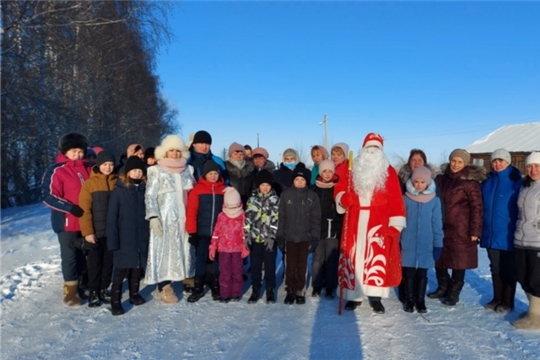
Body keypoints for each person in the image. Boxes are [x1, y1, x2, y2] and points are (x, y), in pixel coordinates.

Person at [335, 133, 405, 314]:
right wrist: (344, 198)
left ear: (381, 151)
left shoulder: (388, 171)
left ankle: (375, 297)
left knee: (375, 258)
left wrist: (395, 223)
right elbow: (340, 188)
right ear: (363, 149)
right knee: (354, 257)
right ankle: (353, 295)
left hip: (378, 221)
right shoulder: (352, 167)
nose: (372, 152)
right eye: (369, 148)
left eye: (376, 148)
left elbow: (396, 198)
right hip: (355, 219)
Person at [428, 149, 484, 306]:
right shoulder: (440, 179)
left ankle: (453, 292)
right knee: (440, 258)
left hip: (462, 229)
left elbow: (477, 208)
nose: (456, 164)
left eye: (460, 162)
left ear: (465, 164)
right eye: (454, 161)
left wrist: (475, 231)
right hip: (441, 226)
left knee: (460, 262)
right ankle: (442, 287)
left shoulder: (470, 183)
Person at [145, 135, 195, 303]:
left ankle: (185, 277)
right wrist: (153, 216)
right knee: (165, 250)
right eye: (171, 150)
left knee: (184, 248)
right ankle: (165, 285)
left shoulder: (189, 170)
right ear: (164, 152)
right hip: (165, 218)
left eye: (178, 150)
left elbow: (194, 193)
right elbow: (150, 195)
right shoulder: (156, 170)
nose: (174, 154)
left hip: (185, 217)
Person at [42, 132, 91, 306]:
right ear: (65, 152)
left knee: (85, 254)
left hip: (86, 221)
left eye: (80, 151)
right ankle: (70, 291)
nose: (77, 155)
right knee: (70, 256)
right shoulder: (56, 170)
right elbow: (48, 196)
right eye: (73, 151)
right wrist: (70, 208)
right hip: (67, 221)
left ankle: (84, 284)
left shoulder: (89, 168)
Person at [480, 149, 522, 314]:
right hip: (491, 232)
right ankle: (497, 298)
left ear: (508, 162)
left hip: (508, 233)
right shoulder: (487, 183)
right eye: (495, 161)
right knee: (495, 267)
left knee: (508, 269)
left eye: (501, 161)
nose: (497, 164)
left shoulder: (516, 182)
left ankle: (507, 301)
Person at [107, 156, 149, 315]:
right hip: (124, 239)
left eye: (140, 171)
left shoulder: (145, 190)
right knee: (120, 272)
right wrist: (113, 241)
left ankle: (134, 293)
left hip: (141, 237)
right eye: (134, 171)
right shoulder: (119, 191)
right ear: (127, 172)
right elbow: (112, 218)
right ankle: (115, 301)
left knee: (137, 268)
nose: (137, 173)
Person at [400, 166, 443, 313]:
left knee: (422, 274)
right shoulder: (405, 198)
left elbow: (437, 224)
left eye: (422, 182)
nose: (419, 185)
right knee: (409, 273)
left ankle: (420, 300)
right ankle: (409, 300)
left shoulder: (434, 201)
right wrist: (398, 240)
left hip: (426, 244)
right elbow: (399, 221)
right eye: (416, 182)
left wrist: (438, 244)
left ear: (428, 183)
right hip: (408, 242)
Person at [277, 167, 321, 305]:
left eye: (303, 180)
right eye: (297, 179)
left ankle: (299, 290)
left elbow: (316, 218)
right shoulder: (286, 195)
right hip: (289, 237)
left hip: (305, 237)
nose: (300, 182)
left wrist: (314, 236)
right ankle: (290, 288)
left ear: (306, 181)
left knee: (302, 266)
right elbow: (281, 217)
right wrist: (280, 235)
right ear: (293, 181)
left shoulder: (312, 196)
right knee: (290, 265)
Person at [78, 150, 117, 307]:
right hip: (96, 232)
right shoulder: (89, 184)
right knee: (94, 264)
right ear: (99, 165)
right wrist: (88, 232)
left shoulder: (117, 182)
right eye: (105, 164)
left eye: (111, 164)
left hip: (113, 231)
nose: (108, 168)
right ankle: (93, 291)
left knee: (109, 263)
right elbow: (84, 210)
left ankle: (103, 289)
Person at [186, 160, 227, 302]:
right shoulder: (197, 190)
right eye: (210, 173)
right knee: (201, 260)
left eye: (216, 173)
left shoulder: (224, 190)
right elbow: (191, 212)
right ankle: (198, 288)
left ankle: (216, 286)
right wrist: (192, 231)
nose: (214, 176)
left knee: (216, 260)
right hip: (202, 233)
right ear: (205, 175)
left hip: (218, 234)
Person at [513, 151, 540, 330]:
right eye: (530, 166)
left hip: (537, 241)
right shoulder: (525, 186)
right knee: (522, 277)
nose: (533, 169)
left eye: (537, 165)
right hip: (521, 240)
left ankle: (535, 317)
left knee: (536, 280)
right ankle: (534, 309)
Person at [244, 170, 280, 304]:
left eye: (268, 185)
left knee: (270, 266)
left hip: (268, 240)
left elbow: (276, 219)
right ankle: (256, 288)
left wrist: (272, 236)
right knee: (255, 265)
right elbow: (248, 218)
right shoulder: (252, 200)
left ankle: (270, 288)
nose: (265, 188)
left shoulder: (275, 200)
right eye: (262, 185)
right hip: (255, 239)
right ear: (258, 185)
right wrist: (247, 234)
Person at [209, 187, 250, 302]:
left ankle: (235, 293)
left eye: (235, 205)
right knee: (225, 273)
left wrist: (245, 246)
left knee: (237, 272)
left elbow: (246, 231)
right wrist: (213, 246)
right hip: (224, 250)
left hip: (237, 249)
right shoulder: (221, 216)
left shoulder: (243, 215)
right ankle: (224, 293)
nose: (233, 208)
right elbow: (216, 232)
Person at [312, 160, 343, 299]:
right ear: (320, 173)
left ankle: (330, 286)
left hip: (332, 229)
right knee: (318, 258)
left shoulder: (337, 188)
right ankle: (317, 285)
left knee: (331, 259)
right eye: (324, 171)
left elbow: (341, 210)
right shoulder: (314, 189)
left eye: (330, 171)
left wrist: (339, 226)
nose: (327, 174)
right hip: (318, 229)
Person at [225, 142, 256, 207]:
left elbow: (254, 188)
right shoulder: (225, 169)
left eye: (241, 154)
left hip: (248, 203)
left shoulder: (251, 169)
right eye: (235, 154)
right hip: (231, 205)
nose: (238, 156)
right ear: (230, 155)